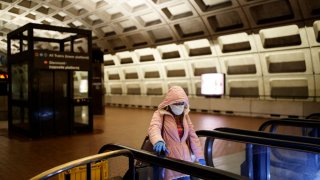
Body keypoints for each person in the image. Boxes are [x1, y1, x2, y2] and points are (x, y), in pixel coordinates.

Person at [148, 86, 206, 180]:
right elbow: (154, 127)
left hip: (185, 159)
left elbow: (193, 136)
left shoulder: (185, 116)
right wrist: (158, 140)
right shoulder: (160, 114)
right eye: (176, 103)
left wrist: (200, 156)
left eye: (181, 103)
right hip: (169, 158)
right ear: (169, 103)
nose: (179, 105)